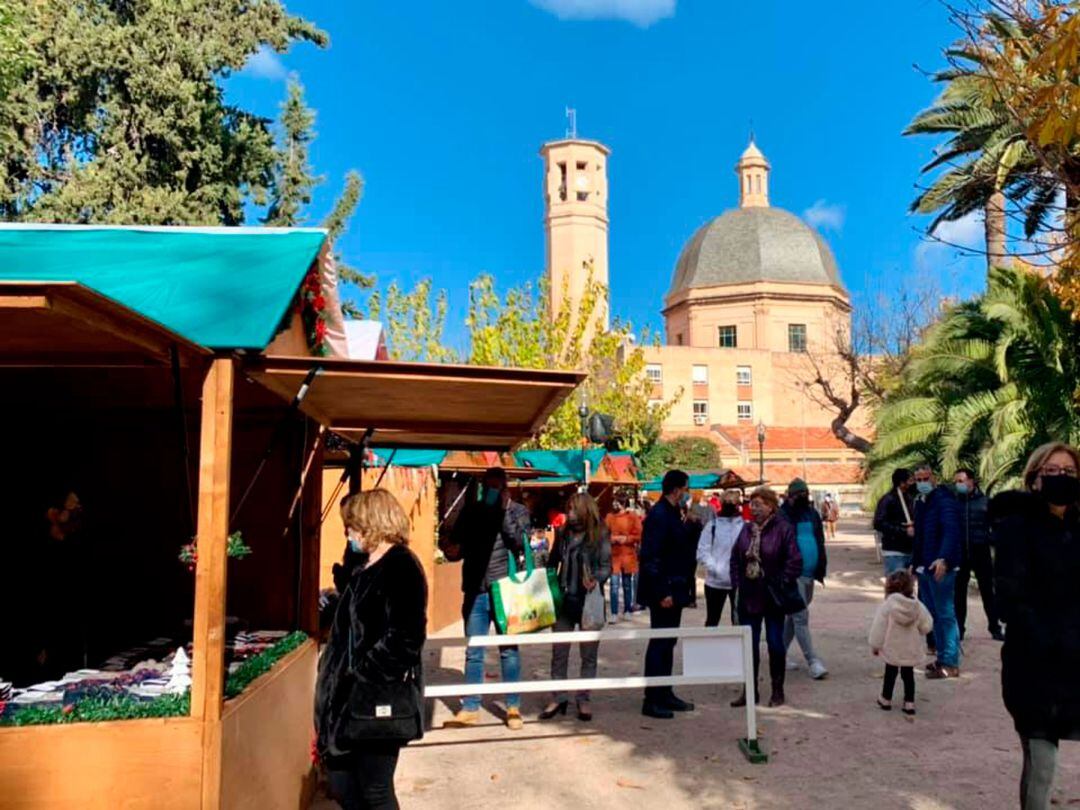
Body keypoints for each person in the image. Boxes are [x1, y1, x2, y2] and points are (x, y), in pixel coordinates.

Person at [315, 490, 427, 810]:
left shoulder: (401, 565)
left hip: (377, 701)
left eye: (352, 527)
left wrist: (361, 675)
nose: (348, 534)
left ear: (370, 524)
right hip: (348, 703)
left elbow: (406, 637)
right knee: (344, 785)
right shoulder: (365, 564)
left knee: (375, 790)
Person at [991, 442, 1080, 810]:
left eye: (1070, 472)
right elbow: (1011, 597)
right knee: (1042, 766)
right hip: (1035, 666)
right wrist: (1050, 638)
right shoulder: (1015, 526)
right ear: (1035, 478)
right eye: (1052, 471)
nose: (1061, 477)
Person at [443, 468, 531, 730]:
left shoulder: (517, 511)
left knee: (509, 651)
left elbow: (519, 542)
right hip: (475, 590)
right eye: (487, 486)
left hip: (505, 589)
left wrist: (504, 511)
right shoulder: (472, 511)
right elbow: (456, 546)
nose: (490, 491)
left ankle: (513, 707)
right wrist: (450, 551)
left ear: (505, 488)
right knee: (474, 651)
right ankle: (470, 707)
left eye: (496, 487)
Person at [540, 492, 612, 722]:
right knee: (559, 652)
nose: (569, 514)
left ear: (584, 510)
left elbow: (606, 565)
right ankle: (559, 696)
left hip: (589, 601)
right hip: (564, 600)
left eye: (573, 509)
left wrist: (596, 579)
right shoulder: (562, 533)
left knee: (588, 655)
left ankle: (584, 698)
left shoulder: (599, 533)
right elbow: (552, 563)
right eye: (568, 508)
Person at [730, 487, 802, 708]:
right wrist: (736, 584)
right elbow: (734, 559)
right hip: (749, 596)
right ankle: (750, 691)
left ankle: (777, 690)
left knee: (775, 644)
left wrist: (780, 581)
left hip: (772, 597)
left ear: (771, 506)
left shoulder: (784, 529)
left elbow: (794, 561)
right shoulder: (746, 530)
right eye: (752, 504)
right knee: (748, 645)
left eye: (759, 504)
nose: (754, 509)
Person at [638, 469, 697, 719]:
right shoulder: (659, 515)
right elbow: (651, 556)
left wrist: (692, 527)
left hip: (676, 586)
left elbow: (679, 548)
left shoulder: (673, 513)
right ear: (676, 490)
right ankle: (652, 698)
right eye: (686, 489)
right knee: (660, 642)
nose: (688, 494)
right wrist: (662, 590)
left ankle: (665, 691)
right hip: (664, 590)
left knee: (669, 640)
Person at [911, 464, 962, 679]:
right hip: (925, 566)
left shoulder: (944, 500)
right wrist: (915, 564)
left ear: (934, 478)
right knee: (934, 615)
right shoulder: (922, 502)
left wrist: (944, 558)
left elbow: (951, 531)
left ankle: (950, 661)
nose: (923, 482)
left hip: (941, 566)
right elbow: (921, 536)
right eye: (919, 479)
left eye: (926, 477)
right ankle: (942, 657)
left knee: (945, 614)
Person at [779, 479, 829, 680]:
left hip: (810, 574)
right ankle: (813, 662)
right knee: (800, 616)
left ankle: (778, 653)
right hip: (793, 574)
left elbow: (820, 540)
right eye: (798, 494)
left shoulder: (812, 513)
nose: (802, 496)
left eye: (805, 493)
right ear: (789, 496)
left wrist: (821, 567)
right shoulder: (782, 516)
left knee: (793, 616)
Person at [868, 569, 933, 717]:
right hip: (910, 648)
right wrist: (920, 631)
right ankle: (909, 702)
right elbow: (927, 624)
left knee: (890, 674)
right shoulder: (917, 605)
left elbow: (879, 627)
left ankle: (885, 699)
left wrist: (875, 645)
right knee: (908, 676)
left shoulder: (887, 606)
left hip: (892, 648)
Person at [953, 469, 1004, 641]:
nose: (958, 485)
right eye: (956, 482)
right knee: (959, 592)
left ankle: (994, 627)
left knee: (988, 591)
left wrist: (988, 539)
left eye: (961, 480)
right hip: (960, 552)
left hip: (980, 551)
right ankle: (959, 628)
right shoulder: (954, 503)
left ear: (971, 481)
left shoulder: (986, 503)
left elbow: (998, 527)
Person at [696, 489, 743, 626]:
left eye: (733, 503)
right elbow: (702, 551)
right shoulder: (712, 526)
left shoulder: (744, 527)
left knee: (739, 620)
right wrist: (715, 568)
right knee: (712, 620)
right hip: (714, 582)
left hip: (737, 581)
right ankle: (710, 646)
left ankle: (738, 647)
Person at [605, 497, 642, 621]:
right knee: (614, 585)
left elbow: (638, 534)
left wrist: (626, 539)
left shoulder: (632, 516)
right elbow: (604, 534)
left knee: (627, 584)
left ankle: (627, 610)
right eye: (614, 502)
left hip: (628, 555)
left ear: (623, 504)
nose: (615, 504)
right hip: (614, 555)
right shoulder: (609, 517)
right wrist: (613, 539)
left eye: (617, 502)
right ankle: (614, 613)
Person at [874, 469, 916, 576]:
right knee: (896, 585)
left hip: (910, 550)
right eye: (910, 481)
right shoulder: (888, 499)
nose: (914, 483)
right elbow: (878, 523)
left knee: (908, 588)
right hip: (894, 552)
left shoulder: (910, 498)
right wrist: (903, 531)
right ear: (902, 483)